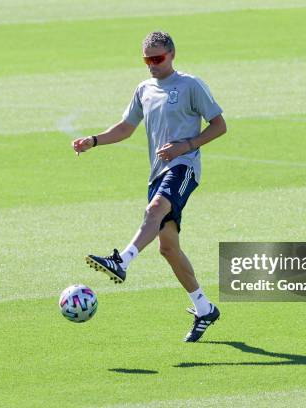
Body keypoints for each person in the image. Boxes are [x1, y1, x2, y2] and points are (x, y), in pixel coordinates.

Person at [72, 31, 227, 342]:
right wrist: (94, 141)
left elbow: (219, 125)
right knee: (168, 248)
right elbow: (127, 127)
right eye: (147, 60)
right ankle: (204, 307)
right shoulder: (144, 89)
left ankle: (121, 260)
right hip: (158, 172)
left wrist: (186, 146)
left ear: (171, 54)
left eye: (157, 58)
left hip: (184, 167)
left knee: (154, 208)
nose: (152, 65)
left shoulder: (190, 85)